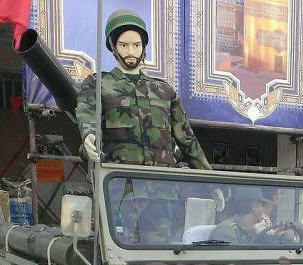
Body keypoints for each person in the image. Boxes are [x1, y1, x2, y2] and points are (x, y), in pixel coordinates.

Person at [75, 10, 211, 171]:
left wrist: (211, 180)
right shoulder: (97, 84)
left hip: (163, 183)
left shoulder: (164, 91)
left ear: (144, 46)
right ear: (113, 46)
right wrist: (89, 134)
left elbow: (188, 142)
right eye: (123, 45)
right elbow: (88, 114)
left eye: (136, 45)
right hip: (120, 182)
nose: (131, 52)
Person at [211, 187, 281, 244]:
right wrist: (257, 235)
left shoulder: (250, 229)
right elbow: (241, 255)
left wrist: (271, 235)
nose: (264, 210)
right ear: (255, 208)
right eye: (262, 205)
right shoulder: (226, 230)